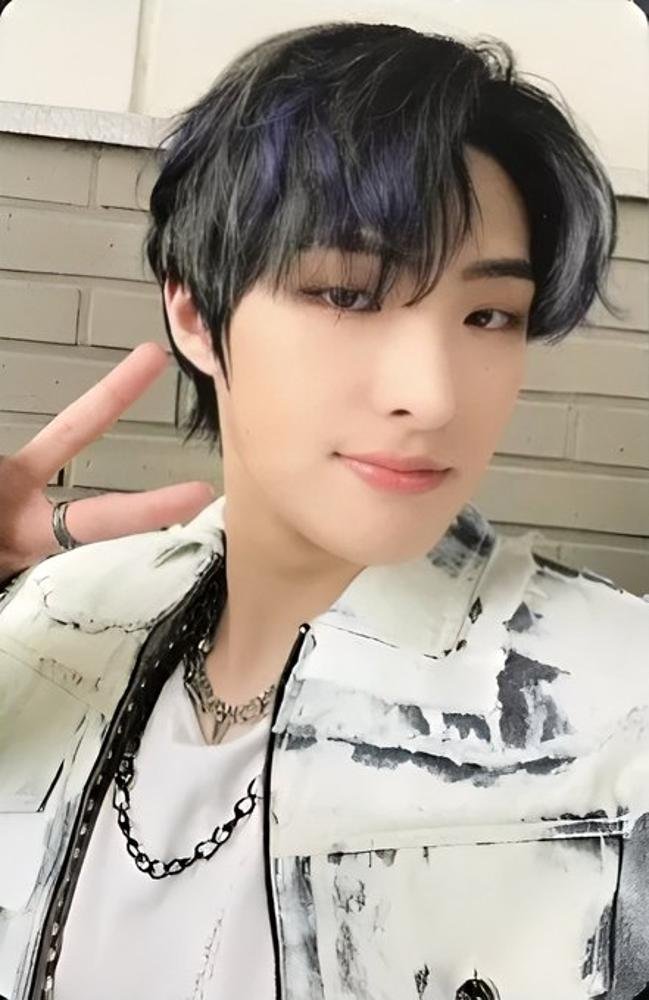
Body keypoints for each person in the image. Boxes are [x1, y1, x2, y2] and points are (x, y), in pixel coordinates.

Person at [1, 19, 648, 1000]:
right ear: (195, 313)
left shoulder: (617, 709)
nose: (431, 395)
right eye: (346, 295)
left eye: (489, 316)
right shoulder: (48, 622)